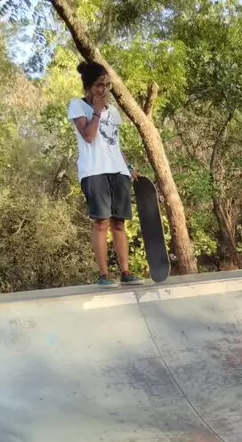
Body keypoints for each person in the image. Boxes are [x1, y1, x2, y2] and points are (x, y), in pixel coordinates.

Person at [68, 61, 143, 287]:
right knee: (101, 222)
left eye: (107, 85)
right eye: (100, 85)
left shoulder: (113, 112)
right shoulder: (77, 106)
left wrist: (127, 166)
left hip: (116, 170)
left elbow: (114, 144)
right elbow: (89, 137)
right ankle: (103, 274)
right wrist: (97, 112)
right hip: (94, 171)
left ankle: (126, 271)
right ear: (89, 86)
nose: (104, 90)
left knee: (119, 223)